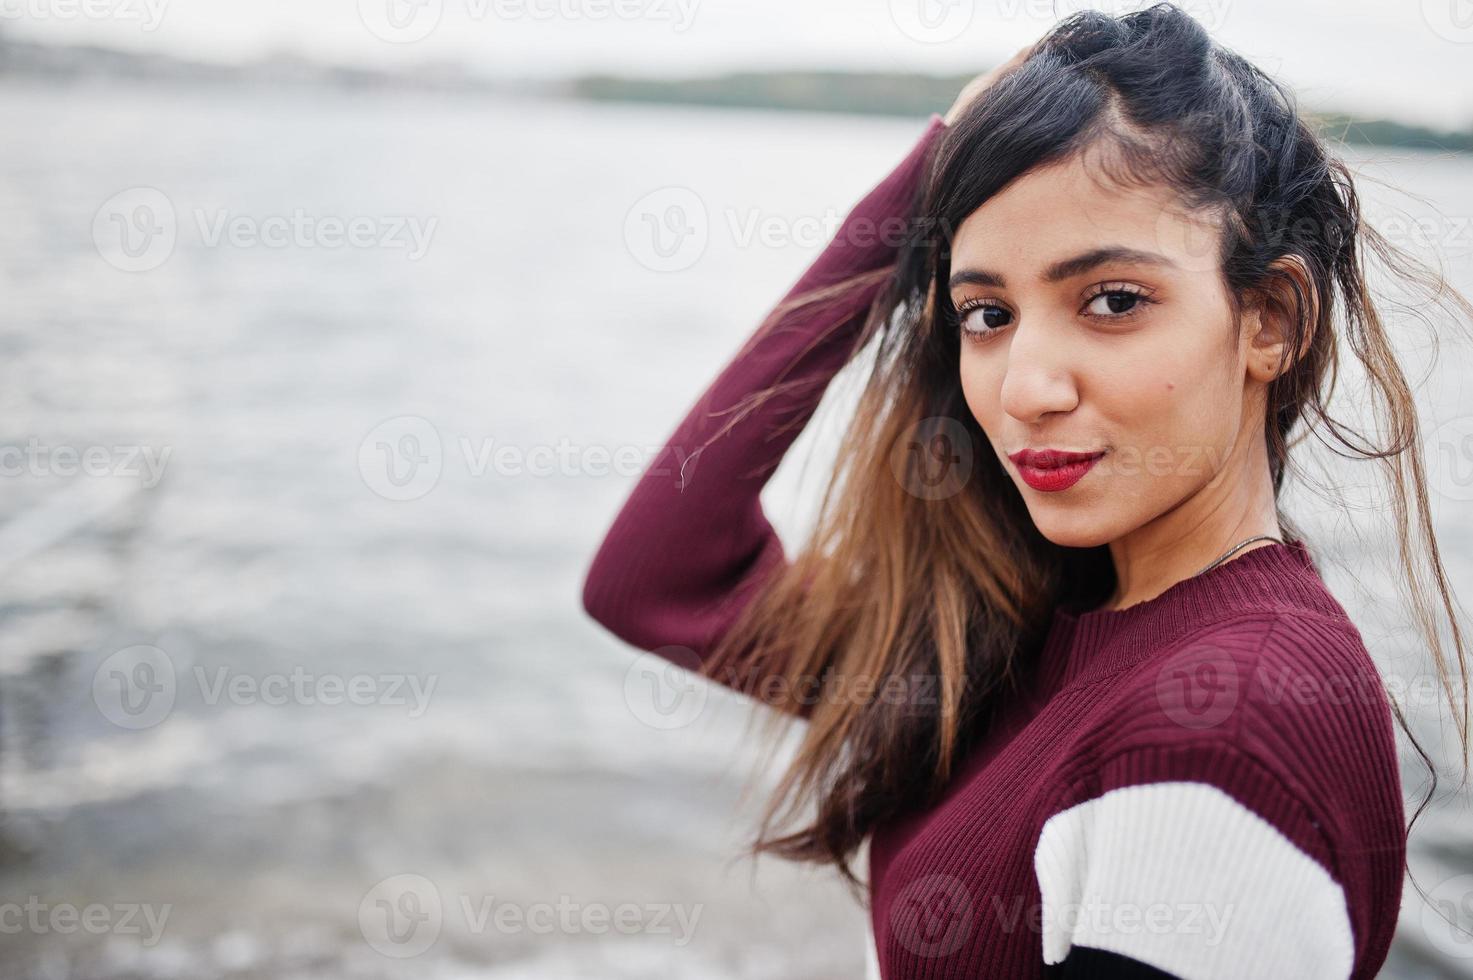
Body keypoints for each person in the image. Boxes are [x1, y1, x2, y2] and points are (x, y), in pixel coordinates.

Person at [582, 4, 1473, 977]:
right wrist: (927, 183)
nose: (1025, 388)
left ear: (1270, 320)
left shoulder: (1228, 726)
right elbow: (656, 578)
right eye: (987, 312)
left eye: (1113, 300)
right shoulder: (1014, 632)